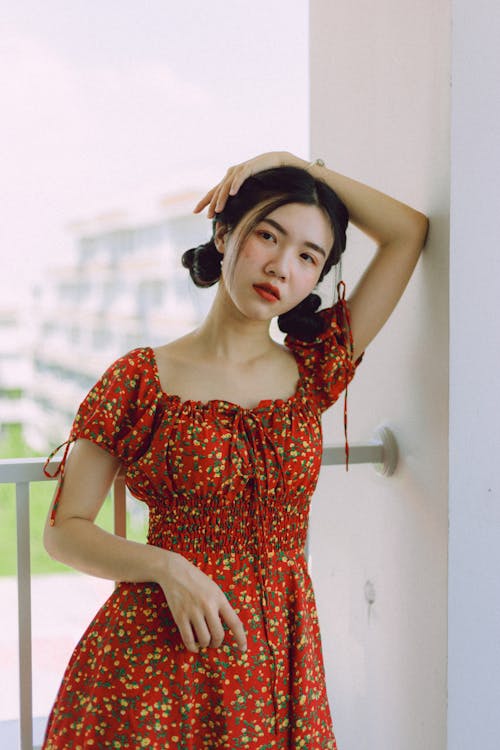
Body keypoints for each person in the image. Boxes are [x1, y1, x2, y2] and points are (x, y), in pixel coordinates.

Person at [42, 151, 428, 749]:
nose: (280, 266)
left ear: (316, 279)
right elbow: (64, 530)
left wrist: (305, 170)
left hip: (280, 659)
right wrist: (168, 566)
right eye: (267, 235)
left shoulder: (314, 370)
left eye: (308, 256)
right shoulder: (140, 378)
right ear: (225, 234)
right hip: (156, 659)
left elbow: (408, 233)